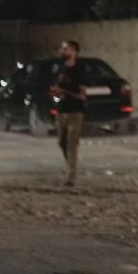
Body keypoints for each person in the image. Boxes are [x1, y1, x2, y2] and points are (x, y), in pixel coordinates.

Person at [51, 40, 87, 187]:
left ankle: (71, 176)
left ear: (74, 51)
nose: (62, 51)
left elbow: (82, 95)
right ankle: (70, 168)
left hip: (75, 112)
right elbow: (56, 89)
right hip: (61, 111)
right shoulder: (59, 68)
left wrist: (65, 92)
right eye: (62, 48)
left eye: (65, 49)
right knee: (61, 142)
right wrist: (56, 94)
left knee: (72, 144)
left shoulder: (80, 69)